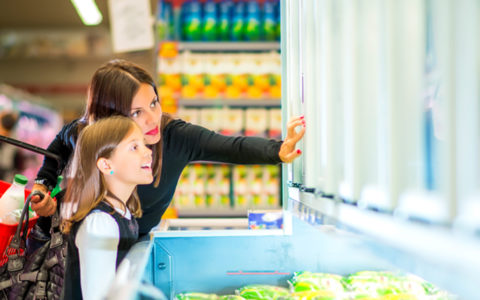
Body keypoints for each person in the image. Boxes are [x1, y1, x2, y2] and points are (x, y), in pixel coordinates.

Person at [31, 59, 306, 238]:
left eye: (153, 103)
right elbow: (52, 161)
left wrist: (278, 151)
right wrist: (42, 191)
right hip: (64, 255)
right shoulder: (83, 134)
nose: (152, 118)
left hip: (129, 252)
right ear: (109, 117)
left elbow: (230, 146)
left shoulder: (174, 137)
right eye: (136, 112)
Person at [61, 116, 153, 300]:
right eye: (134, 147)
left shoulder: (121, 211)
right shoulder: (100, 224)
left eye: (144, 144)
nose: (148, 152)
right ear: (106, 165)